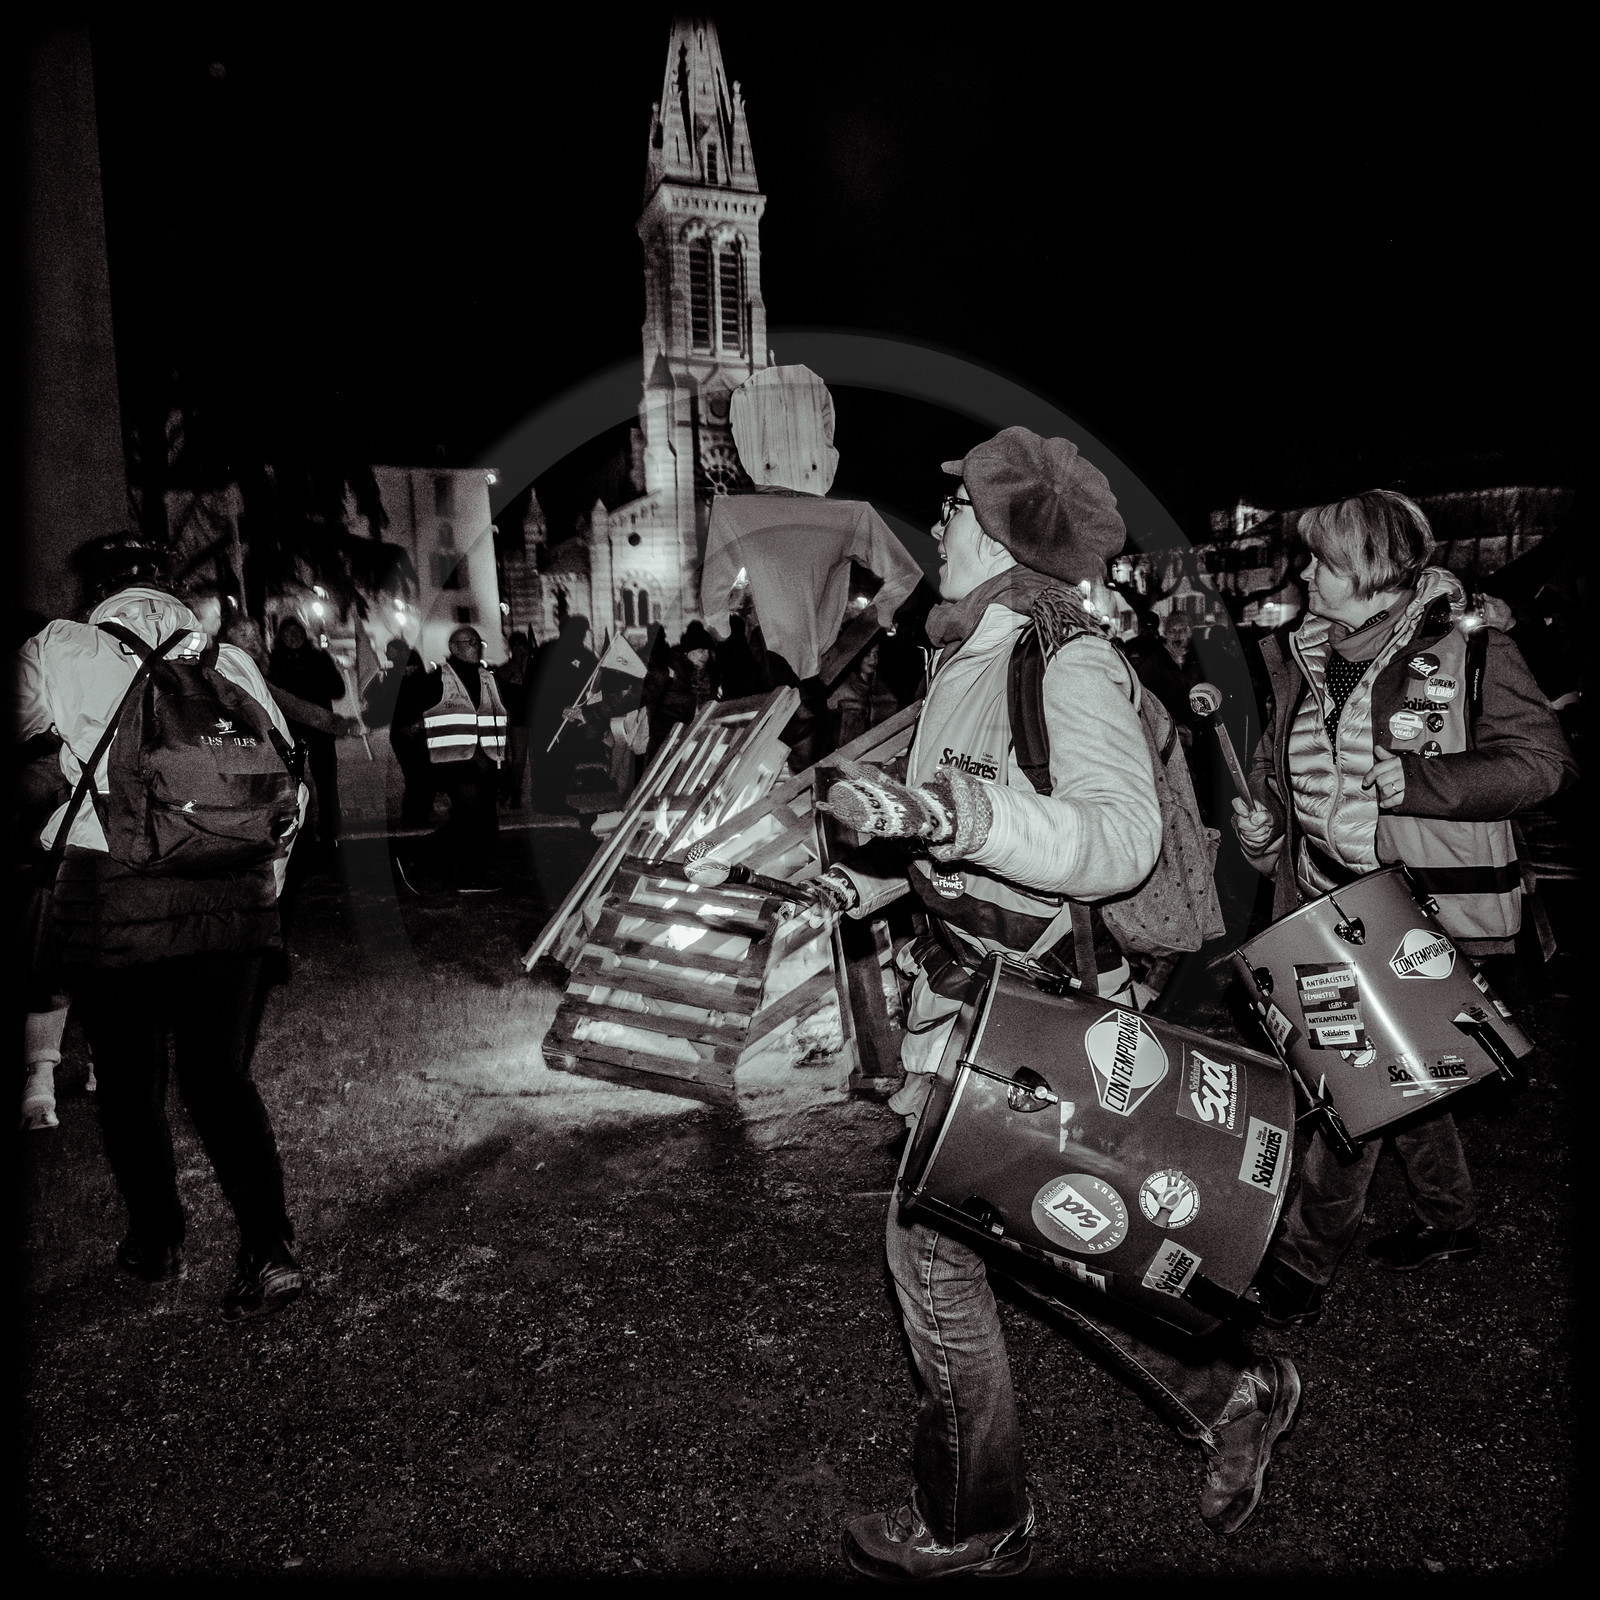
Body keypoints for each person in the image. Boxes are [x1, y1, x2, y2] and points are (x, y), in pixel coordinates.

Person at [808, 430, 1300, 1578]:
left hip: (1044, 1020)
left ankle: (975, 1516)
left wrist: (953, 821)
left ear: (1005, 532)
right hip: (980, 1006)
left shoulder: (1063, 660)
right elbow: (968, 835)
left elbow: (1114, 841)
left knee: (931, 1243)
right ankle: (1237, 1391)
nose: (935, 523)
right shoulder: (966, 653)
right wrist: (878, 869)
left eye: (953, 507)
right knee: (1040, 1241)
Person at [1234, 490, 1575, 1328]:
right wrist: (1264, 824)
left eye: (1324, 560)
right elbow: (1288, 773)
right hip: (1322, 894)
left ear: (1379, 573)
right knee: (1406, 1071)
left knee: (1359, 1085)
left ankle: (1300, 1267)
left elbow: (1541, 762)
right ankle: (1451, 1219)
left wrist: (1425, 783)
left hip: (1415, 908)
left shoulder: (1467, 643)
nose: (1304, 572)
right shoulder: (1297, 652)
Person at [13, 535, 308, 1321]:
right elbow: (285, 778)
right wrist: (265, 877)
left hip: (116, 892)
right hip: (233, 894)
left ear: (94, 589)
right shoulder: (228, 661)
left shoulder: (60, 646)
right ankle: (269, 1249)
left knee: (131, 1081)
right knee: (220, 1078)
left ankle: (156, 1238)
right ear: (165, 587)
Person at [415, 625, 508, 892]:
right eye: (470, 641)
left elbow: (512, 700)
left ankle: (422, 859)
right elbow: (418, 717)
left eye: (479, 641)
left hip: (487, 762)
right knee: (476, 820)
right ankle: (468, 877)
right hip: (454, 764)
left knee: (479, 822)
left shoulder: (489, 677)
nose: (476, 645)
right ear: (454, 648)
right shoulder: (437, 680)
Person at [268, 617, 348, 860]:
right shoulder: (274, 662)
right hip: (290, 731)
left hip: (320, 728)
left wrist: (316, 678)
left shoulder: (318, 659)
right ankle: (299, 831)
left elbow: (338, 689)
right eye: (287, 633)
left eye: (297, 633)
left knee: (326, 782)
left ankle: (330, 831)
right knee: (294, 783)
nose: (293, 638)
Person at [362, 637, 437, 828]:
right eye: (387, 650)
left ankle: (415, 814)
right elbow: (375, 696)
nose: (387, 654)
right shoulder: (394, 674)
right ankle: (416, 814)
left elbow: (408, 695)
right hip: (403, 730)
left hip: (414, 729)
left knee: (418, 774)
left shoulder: (406, 670)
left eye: (390, 650)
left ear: (401, 651)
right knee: (416, 774)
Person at [526, 615, 597, 812]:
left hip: (572, 717)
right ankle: (543, 799)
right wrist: (556, 708)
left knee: (565, 758)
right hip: (548, 716)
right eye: (579, 631)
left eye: (583, 632)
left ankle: (557, 798)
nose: (581, 636)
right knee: (546, 757)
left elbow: (593, 681)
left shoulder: (584, 655)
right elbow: (535, 685)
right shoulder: (547, 652)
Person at [494, 631, 533, 809]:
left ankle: (534, 792)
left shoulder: (534, 666)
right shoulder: (504, 670)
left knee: (536, 758)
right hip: (517, 717)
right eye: (515, 645)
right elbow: (500, 696)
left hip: (535, 716)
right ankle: (514, 793)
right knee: (517, 759)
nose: (518, 649)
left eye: (521, 645)